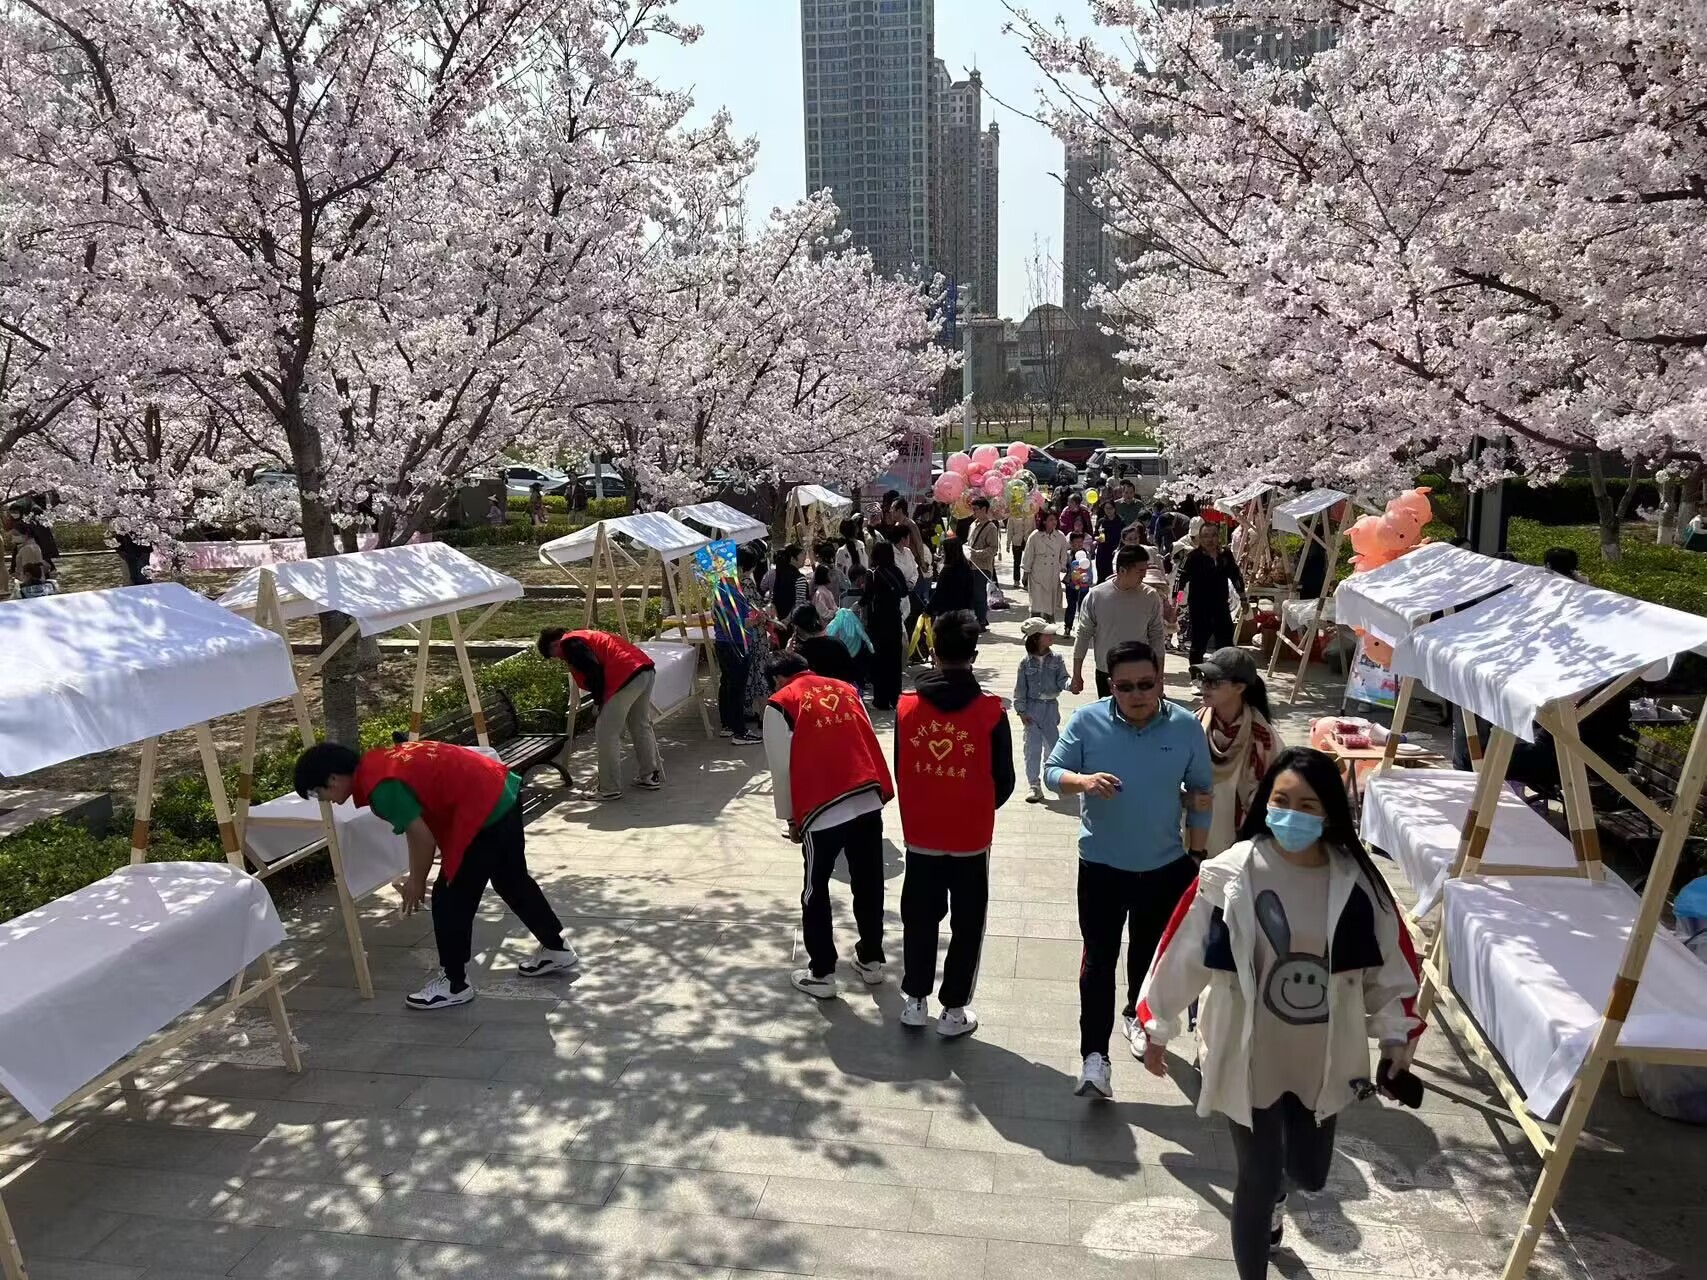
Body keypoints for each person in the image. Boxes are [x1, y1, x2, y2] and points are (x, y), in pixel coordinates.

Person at [1137, 748, 1424, 1278]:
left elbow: (1393, 968)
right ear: (1264, 803)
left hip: (1322, 1055)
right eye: (1281, 801)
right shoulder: (1229, 873)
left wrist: (1395, 1039)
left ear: (1330, 813)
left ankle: (1277, 1197)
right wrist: (1157, 1024)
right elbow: (1182, 948)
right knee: (1258, 1174)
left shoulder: (1357, 883)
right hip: (1248, 1050)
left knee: (1309, 1173)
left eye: (1307, 805)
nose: (1292, 814)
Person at [1045, 640, 1213, 1100]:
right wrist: (1083, 781)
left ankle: (1136, 1017)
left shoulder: (1184, 726)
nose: (1137, 694)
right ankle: (1094, 1059)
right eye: (1125, 686)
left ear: (1160, 681)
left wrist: (1197, 856)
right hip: (1101, 866)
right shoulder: (1087, 721)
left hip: (1164, 866)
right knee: (1098, 960)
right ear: (1110, 685)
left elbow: (1202, 795)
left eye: (1146, 684)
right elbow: (1052, 773)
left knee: (1148, 953)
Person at [294, 739, 578, 1010]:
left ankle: (455, 984)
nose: (325, 801)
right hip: (502, 789)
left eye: (318, 793)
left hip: (482, 809)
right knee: (511, 879)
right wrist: (415, 875)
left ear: (333, 778)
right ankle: (557, 949)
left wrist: (417, 882)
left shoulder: (380, 788)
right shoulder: (378, 763)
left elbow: (422, 837)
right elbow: (417, 828)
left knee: (450, 898)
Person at [896, 610, 1013, 1036]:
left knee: (919, 917)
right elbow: (1004, 780)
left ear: (934, 651)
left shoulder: (907, 707)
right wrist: (974, 806)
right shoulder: (991, 712)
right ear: (974, 655)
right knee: (967, 923)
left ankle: (914, 1001)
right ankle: (954, 1011)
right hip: (970, 838)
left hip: (921, 834)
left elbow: (902, 768)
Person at [764, 652, 895, 998]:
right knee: (869, 882)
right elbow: (867, 736)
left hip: (823, 807)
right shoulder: (846, 689)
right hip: (865, 797)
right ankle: (871, 960)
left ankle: (822, 973)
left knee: (815, 889)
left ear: (777, 679)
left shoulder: (781, 703)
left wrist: (791, 818)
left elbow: (780, 768)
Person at [538, 627, 663, 799]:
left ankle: (609, 788)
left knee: (606, 734)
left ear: (554, 645)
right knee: (640, 725)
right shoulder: (587, 636)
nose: (560, 659)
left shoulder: (570, 644)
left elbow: (593, 671)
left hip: (624, 677)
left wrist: (599, 702)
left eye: (554, 656)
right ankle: (650, 776)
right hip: (645, 670)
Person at [1194, 647, 1283, 855]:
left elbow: (1274, 789)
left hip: (1239, 836)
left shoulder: (1263, 737)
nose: (1204, 686)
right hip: (1196, 830)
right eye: (1203, 679)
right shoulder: (1193, 725)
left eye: (1214, 682)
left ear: (1239, 687)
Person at [1071, 545, 1168, 699]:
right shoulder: (1097, 596)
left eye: (1145, 570)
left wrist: (1159, 677)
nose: (1144, 575)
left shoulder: (1150, 596)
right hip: (1106, 671)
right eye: (1140, 571)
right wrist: (1077, 673)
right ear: (1122, 570)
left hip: (1140, 672)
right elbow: (1083, 635)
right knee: (1109, 713)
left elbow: (1156, 637)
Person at [1014, 617, 1069, 802]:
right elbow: (1020, 688)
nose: (1052, 636)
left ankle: (1052, 778)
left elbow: (1063, 680)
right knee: (1032, 749)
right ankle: (1034, 786)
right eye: (1047, 634)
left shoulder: (1057, 659)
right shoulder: (1025, 663)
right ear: (1036, 638)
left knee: (1053, 747)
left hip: (1050, 708)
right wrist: (1021, 711)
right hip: (1032, 709)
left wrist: (1071, 684)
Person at [1176, 520, 1246, 663]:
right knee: (1198, 644)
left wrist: (1243, 598)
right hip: (1199, 608)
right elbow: (1180, 582)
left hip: (1221, 606)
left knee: (1226, 644)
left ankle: (1224, 672)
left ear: (1218, 537)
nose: (1210, 539)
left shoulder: (1225, 555)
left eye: (1213, 535)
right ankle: (1196, 672)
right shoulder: (1193, 557)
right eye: (1206, 536)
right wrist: (1176, 601)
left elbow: (1235, 576)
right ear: (1200, 538)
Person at [711, 562, 764, 746]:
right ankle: (739, 731)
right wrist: (757, 620)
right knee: (737, 689)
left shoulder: (720, 589)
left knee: (727, 684)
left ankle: (728, 725)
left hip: (723, 643)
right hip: (736, 645)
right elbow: (738, 623)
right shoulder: (731, 593)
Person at [863, 540, 910, 710]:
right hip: (894, 619)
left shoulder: (872, 574)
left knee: (880, 660)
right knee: (894, 660)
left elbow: (867, 597)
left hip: (878, 621)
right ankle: (895, 697)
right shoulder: (896, 571)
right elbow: (904, 591)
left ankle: (881, 699)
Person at [789, 604, 858, 685]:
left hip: (812, 691)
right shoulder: (836, 643)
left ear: (796, 626)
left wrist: (788, 654)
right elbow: (851, 674)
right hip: (839, 690)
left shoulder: (798, 651)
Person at [1021, 509, 1071, 620]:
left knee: (1050, 603)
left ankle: (1049, 624)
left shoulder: (1060, 536)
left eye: (1055, 520)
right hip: (1037, 574)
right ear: (1044, 521)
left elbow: (1064, 553)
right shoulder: (1035, 536)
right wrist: (1025, 573)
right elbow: (1028, 555)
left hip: (1052, 574)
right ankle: (1034, 625)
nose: (1054, 522)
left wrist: (1062, 566)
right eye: (1051, 520)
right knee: (1036, 603)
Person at [827, 597, 875, 696]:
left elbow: (830, 631)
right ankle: (858, 692)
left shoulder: (839, 618)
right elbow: (864, 635)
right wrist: (871, 648)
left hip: (843, 650)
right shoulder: (854, 620)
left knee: (845, 674)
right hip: (855, 649)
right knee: (857, 673)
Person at [927, 537, 982, 622]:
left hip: (947, 615)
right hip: (963, 613)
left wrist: (928, 609)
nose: (942, 553)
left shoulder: (947, 571)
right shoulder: (966, 569)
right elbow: (970, 592)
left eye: (944, 550)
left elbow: (939, 594)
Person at [1062, 530, 1091, 636]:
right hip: (1071, 584)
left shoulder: (1086, 554)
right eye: (1076, 542)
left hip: (1084, 584)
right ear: (1071, 543)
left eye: (1081, 542)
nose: (1079, 544)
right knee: (1071, 606)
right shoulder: (1068, 554)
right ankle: (1067, 627)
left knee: (1083, 606)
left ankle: (1082, 628)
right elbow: (1064, 567)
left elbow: (1089, 569)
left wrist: (1088, 581)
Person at [771, 544, 810, 617]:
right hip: (794, 620)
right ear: (792, 559)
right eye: (801, 554)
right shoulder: (799, 578)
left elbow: (774, 598)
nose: (805, 557)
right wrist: (788, 620)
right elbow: (799, 604)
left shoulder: (780, 574)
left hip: (779, 618)